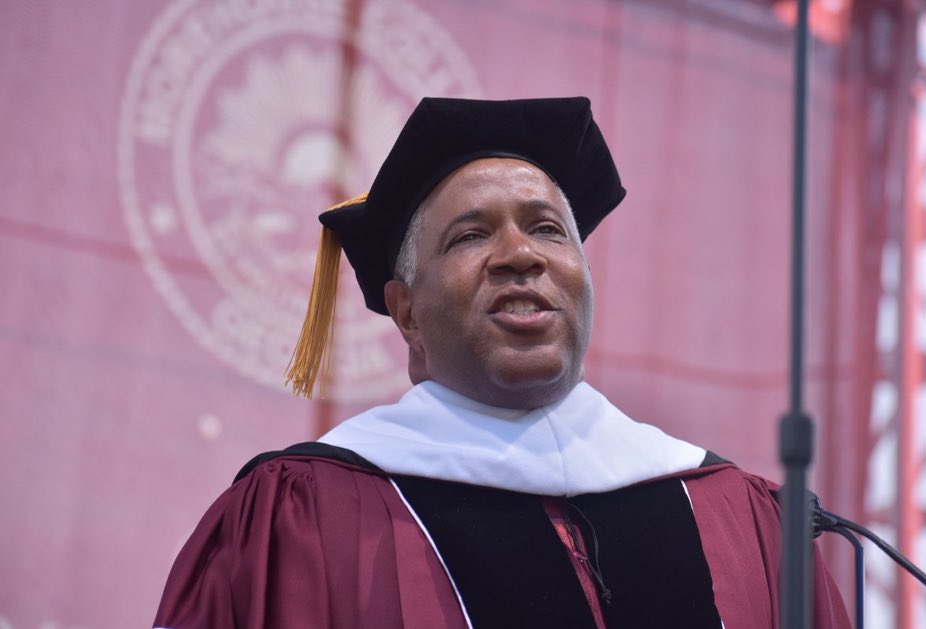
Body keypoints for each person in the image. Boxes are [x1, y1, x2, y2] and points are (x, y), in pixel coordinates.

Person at [154, 97, 850, 628]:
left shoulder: (742, 517)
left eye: (548, 228)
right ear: (406, 314)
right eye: (470, 234)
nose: (522, 254)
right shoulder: (298, 518)